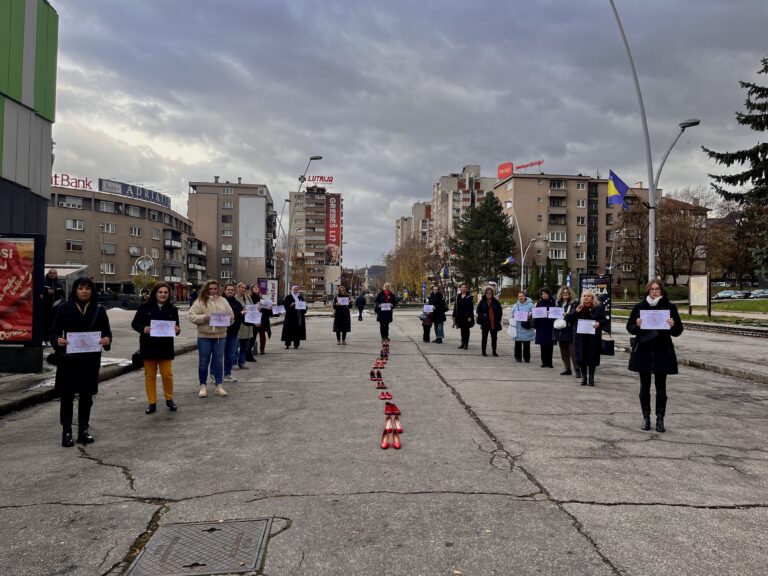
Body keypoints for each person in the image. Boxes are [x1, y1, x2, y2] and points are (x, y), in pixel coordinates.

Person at [50, 277, 112, 447]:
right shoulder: (64, 308)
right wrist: (57, 340)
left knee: (86, 396)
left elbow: (107, 333)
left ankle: (83, 430)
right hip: (69, 360)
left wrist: (107, 340)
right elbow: (54, 331)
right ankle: (67, 432)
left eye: (87, 288)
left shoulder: (99, 310)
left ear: (92, 291)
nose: (84, 291)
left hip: (90, 361)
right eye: (80, 288)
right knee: (67, 396)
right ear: (75, 290)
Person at [626, 279, 684, 432]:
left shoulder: (669, 307)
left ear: (661, 291)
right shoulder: (639, 307)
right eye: (652, 289)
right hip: (643, 350)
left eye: (657, 289)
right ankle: (646, 418)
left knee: (661, 386)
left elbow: (678, 330)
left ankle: (660, 419)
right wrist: (637, 325)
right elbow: (629, 327)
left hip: (662, 350)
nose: (654, 292)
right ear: (648, 290)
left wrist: (672, 325)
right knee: (644, 386)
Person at [130, 282, 181, 414]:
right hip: (149, 346)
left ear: (169, 294)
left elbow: (177, 328)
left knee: (167, 374)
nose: (163, 295)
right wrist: (143, 328)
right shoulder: (145, 307)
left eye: (165, 292)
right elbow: (134, 323)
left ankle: (169, 399)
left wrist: (177, 330)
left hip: (165, 347)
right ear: (155, 293)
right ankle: (152, 402)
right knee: (150, 376)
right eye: (160, 292)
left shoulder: (173, 309)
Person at [189, 279, 233, 397]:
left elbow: (231, 315)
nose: (213, 291)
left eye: (215, 288)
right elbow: (191, 316)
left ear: (218, 289)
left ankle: (219, 386)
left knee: (219, 362)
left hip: (220, 336)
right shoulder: (200, 301)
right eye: (210, 289)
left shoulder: (223, 301)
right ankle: (202, 385)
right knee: (203, 362)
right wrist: (204, 318)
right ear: (206, 289)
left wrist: (229, 319)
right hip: (204, 336)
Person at [566, 289, 607, 386]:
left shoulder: (598, 307)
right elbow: (568, 319)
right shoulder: (577, 306)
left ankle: (591, 378)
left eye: (588, 296)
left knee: (592, 358)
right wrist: (576, 312)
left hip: (593, 337)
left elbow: (604, 320)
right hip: (580, 337)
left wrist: (599, 323)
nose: (586, 298)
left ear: (592, 298)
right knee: (581, 358)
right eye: (584, 296)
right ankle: (584, 377)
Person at [554, 285, 579, 377]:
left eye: (566, 292)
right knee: (563, 352)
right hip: (560, 330)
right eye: (563, 293)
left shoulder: (574, 303)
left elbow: (574, 315)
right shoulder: (557, 303)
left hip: (570, 329)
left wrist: (566, 315)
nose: (565, 294)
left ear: (570, 294)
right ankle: (567, 369)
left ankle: (577, 370)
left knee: (573, 352)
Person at [222, 283, 243, 382]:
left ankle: (227, 374)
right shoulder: (220, 302)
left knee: (230, 355)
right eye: (228, 290)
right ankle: (215, 374)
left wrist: (254, 321)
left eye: (232, 290)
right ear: (224, 291)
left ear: (234, 291)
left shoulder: (237, 303)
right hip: (220, 333)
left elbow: (242, 318)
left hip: (233, 333)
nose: (230, 291)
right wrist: (239, 314)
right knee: (218, 356)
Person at [476, 286, 503, 356]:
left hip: (494, 322)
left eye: (490, 293)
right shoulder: (482, 301)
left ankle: (494, 351)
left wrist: (498, 319)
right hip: (485, 322)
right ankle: (483, 351)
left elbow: (500, 311)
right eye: (487, 293)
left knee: (494, 338)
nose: (488, 294)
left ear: (492, 294)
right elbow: (478, 310)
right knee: (484, 337)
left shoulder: (496, 302)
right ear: (485, 293)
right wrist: (483, 316)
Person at [534, 286, 557, 368]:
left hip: (550, 325)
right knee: (543, 344)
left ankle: (549, 363)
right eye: (542, 293)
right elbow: (535, 314)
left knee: (550, 345)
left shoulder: (553, 302)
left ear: (548, 294)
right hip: (541, 326)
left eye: (545, 293)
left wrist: (550, 313)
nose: (544, 295)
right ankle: (544, 362)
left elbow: (557, 313)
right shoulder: (539, 303)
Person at [41, 268, 65, 346]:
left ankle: (49, 339)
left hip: (55, 308)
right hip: (45, 307)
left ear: (56, 274)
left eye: (54, 273)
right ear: (48, 273)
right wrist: (46, 292)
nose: (52, 274)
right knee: (44, 324)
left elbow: (62, 295)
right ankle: (42, 339)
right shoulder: (44, 282)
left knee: (52, 325)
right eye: (50, 273)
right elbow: (38, 292)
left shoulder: (59, 283)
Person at [511, 290, 535, 363]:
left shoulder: (531, 305)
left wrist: (530, 315)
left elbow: (535, 314)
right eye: (519, 296)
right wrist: (513, 316)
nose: (521, 297)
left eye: (522, 296)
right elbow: (511, 314)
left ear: (525, 297)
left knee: (526, 344)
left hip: (526, 327)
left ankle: (527, 358)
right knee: (517, 344)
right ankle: (518, 357)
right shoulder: (515, 305)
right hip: (518, 327)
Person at [249, 284, 272, 355]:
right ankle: (250, 349)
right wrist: (256, 305)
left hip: (262, 319)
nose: (256, 288)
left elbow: (266, 309)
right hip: (254, 319)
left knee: (262, 335)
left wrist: (269, 308)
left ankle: (262, 349)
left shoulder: (261, 298)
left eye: (257, 287)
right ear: (252, 289)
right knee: (253, 335)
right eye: (254, 287)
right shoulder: (250, 297)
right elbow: (249, 308)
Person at [234, 282, 253, 368]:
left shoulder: (248, 297)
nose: (243, 289)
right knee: (235, 346)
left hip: (248, 324)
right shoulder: (235, 298)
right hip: (239, 324)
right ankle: (234, 363)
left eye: (245, 288)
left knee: (245, 346)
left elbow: (252, 307)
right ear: (238, 288)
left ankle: (242, 362)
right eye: (242, 287)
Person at [452, 283, 474, 349]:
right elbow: (456, 306)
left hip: (467, 316)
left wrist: (470, 316)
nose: (463, 288)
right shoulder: (458, 296)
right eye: (462, 287)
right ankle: (462, 343)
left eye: (464, 287)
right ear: (460, 288)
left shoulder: (469, 296)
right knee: (462, 329)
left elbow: (471, 308)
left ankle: (466, 344)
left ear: (466, 289)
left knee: (466, 330)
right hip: (460, 316)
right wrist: (454, 315)